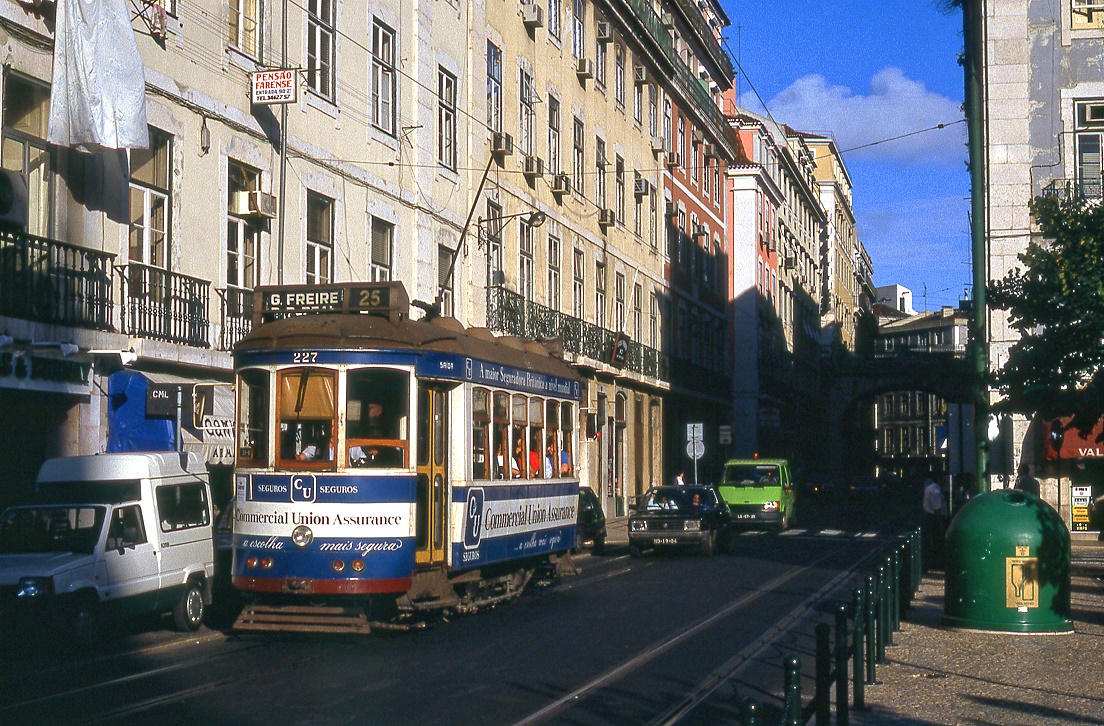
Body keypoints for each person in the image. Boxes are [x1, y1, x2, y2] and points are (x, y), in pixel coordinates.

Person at [922, 477, 948, 570]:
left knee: (932, 540)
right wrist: (940, 521)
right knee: (937, 540)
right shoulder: (935, 491)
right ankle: (935, 563)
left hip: (930, 516)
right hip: (935, 518)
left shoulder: (929, 488)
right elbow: (937, 507)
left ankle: (931, 562)